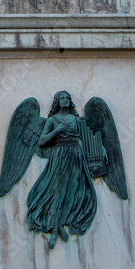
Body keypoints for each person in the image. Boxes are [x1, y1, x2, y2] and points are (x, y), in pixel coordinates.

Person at [27, 91, 96, 248]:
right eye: (62, 98)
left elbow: (86, 137)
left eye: (67, 98)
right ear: (57, 102)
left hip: (75, 154)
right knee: (59, 192)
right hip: (60, 154)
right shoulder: (52, 120)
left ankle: (61, 225)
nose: (65, 100)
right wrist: (57, 130)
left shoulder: (75, 119)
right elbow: (42, 140)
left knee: (72, 191)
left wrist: (102, 149)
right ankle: (54, 230)